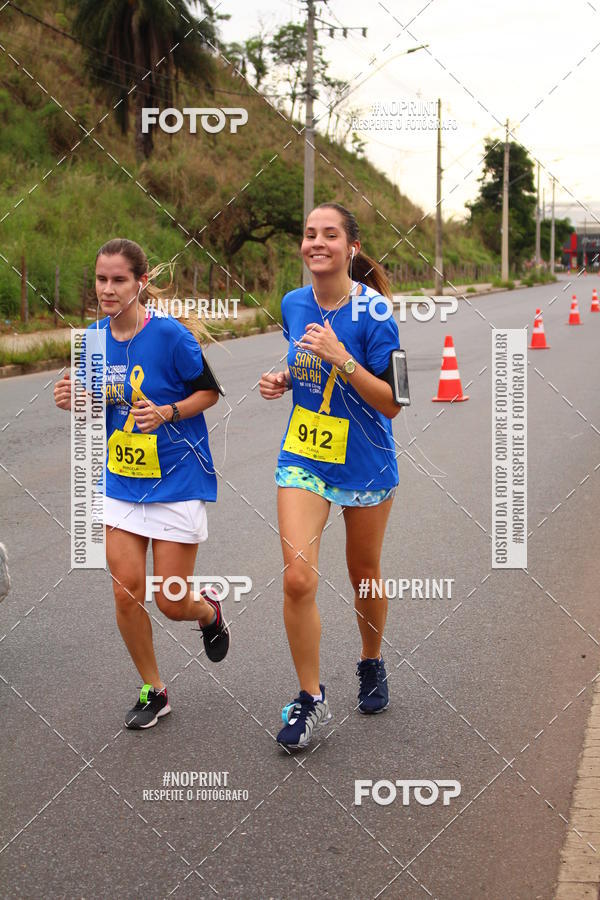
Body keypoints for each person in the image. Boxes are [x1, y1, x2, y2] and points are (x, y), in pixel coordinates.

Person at [54, 238, 229, 729]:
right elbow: (96, 407)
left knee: (172, 601)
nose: (107, 289)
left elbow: (209, 393)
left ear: (141, 282)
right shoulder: (90, 339)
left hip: (175, 478)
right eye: (100, 279)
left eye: (119, 280)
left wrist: (168, 411)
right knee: (125, 591)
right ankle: (155, 689)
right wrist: (72, 400)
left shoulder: (172, 337)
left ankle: (208, 613)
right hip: (121, 484)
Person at [259, 202, 402, 750]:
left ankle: (371, 660)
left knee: (363, 571)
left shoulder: (378, 314)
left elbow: (393, 403)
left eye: (330, 235)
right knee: (298, 578)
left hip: (366, 459)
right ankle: (310, 697)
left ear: (352, 248)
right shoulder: (294, 303)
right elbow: (306, 369)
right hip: (305, 456)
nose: (316, 242)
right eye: (309, 234)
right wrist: (283, 379)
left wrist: (343, 357)